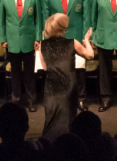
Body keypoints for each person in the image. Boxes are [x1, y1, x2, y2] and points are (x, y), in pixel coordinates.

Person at [41, 0, 92, 111]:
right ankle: (63, 100)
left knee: (79, 71)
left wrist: (85, 38)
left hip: (75, 36)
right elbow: (46, 16)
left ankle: (81, 99)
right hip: (56, 39)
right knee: (61, 70)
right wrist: (47, 38)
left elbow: (86, 15)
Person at [38, 13, 95, 141]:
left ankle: (49, 144)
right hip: (69, 85)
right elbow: (90, 55)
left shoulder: (43, 44)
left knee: (51, 116)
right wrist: (86, 39)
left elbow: (46, 68)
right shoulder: (72, 43)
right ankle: (69, 143)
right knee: (69, 117)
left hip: (51, 87)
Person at [0, 0, 42, 112]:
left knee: (29, 73)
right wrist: (3, 38)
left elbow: (38, 20)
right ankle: (16, 100)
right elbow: (1, 20)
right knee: (15, 73)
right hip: (12, 41)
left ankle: (31, 100)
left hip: (29, 40)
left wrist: (38, 38)